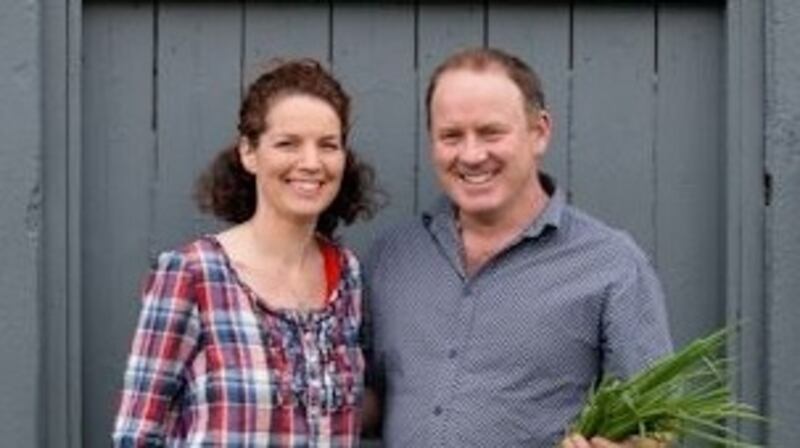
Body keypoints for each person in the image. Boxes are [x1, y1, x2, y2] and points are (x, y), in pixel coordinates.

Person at [363, 48, 673, 447]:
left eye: (491, 132)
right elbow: (368, 394)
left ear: (539, 131)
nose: (472, 155)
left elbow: (657, 424)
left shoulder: (610, 264)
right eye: (451, 136)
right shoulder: (393, 255)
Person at [113, 59, 377, 447]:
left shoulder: (346, 276)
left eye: (328, 145)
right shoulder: (192, 274)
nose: (311, 162)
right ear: (249, 152)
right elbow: (136, 435)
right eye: (287, 143)